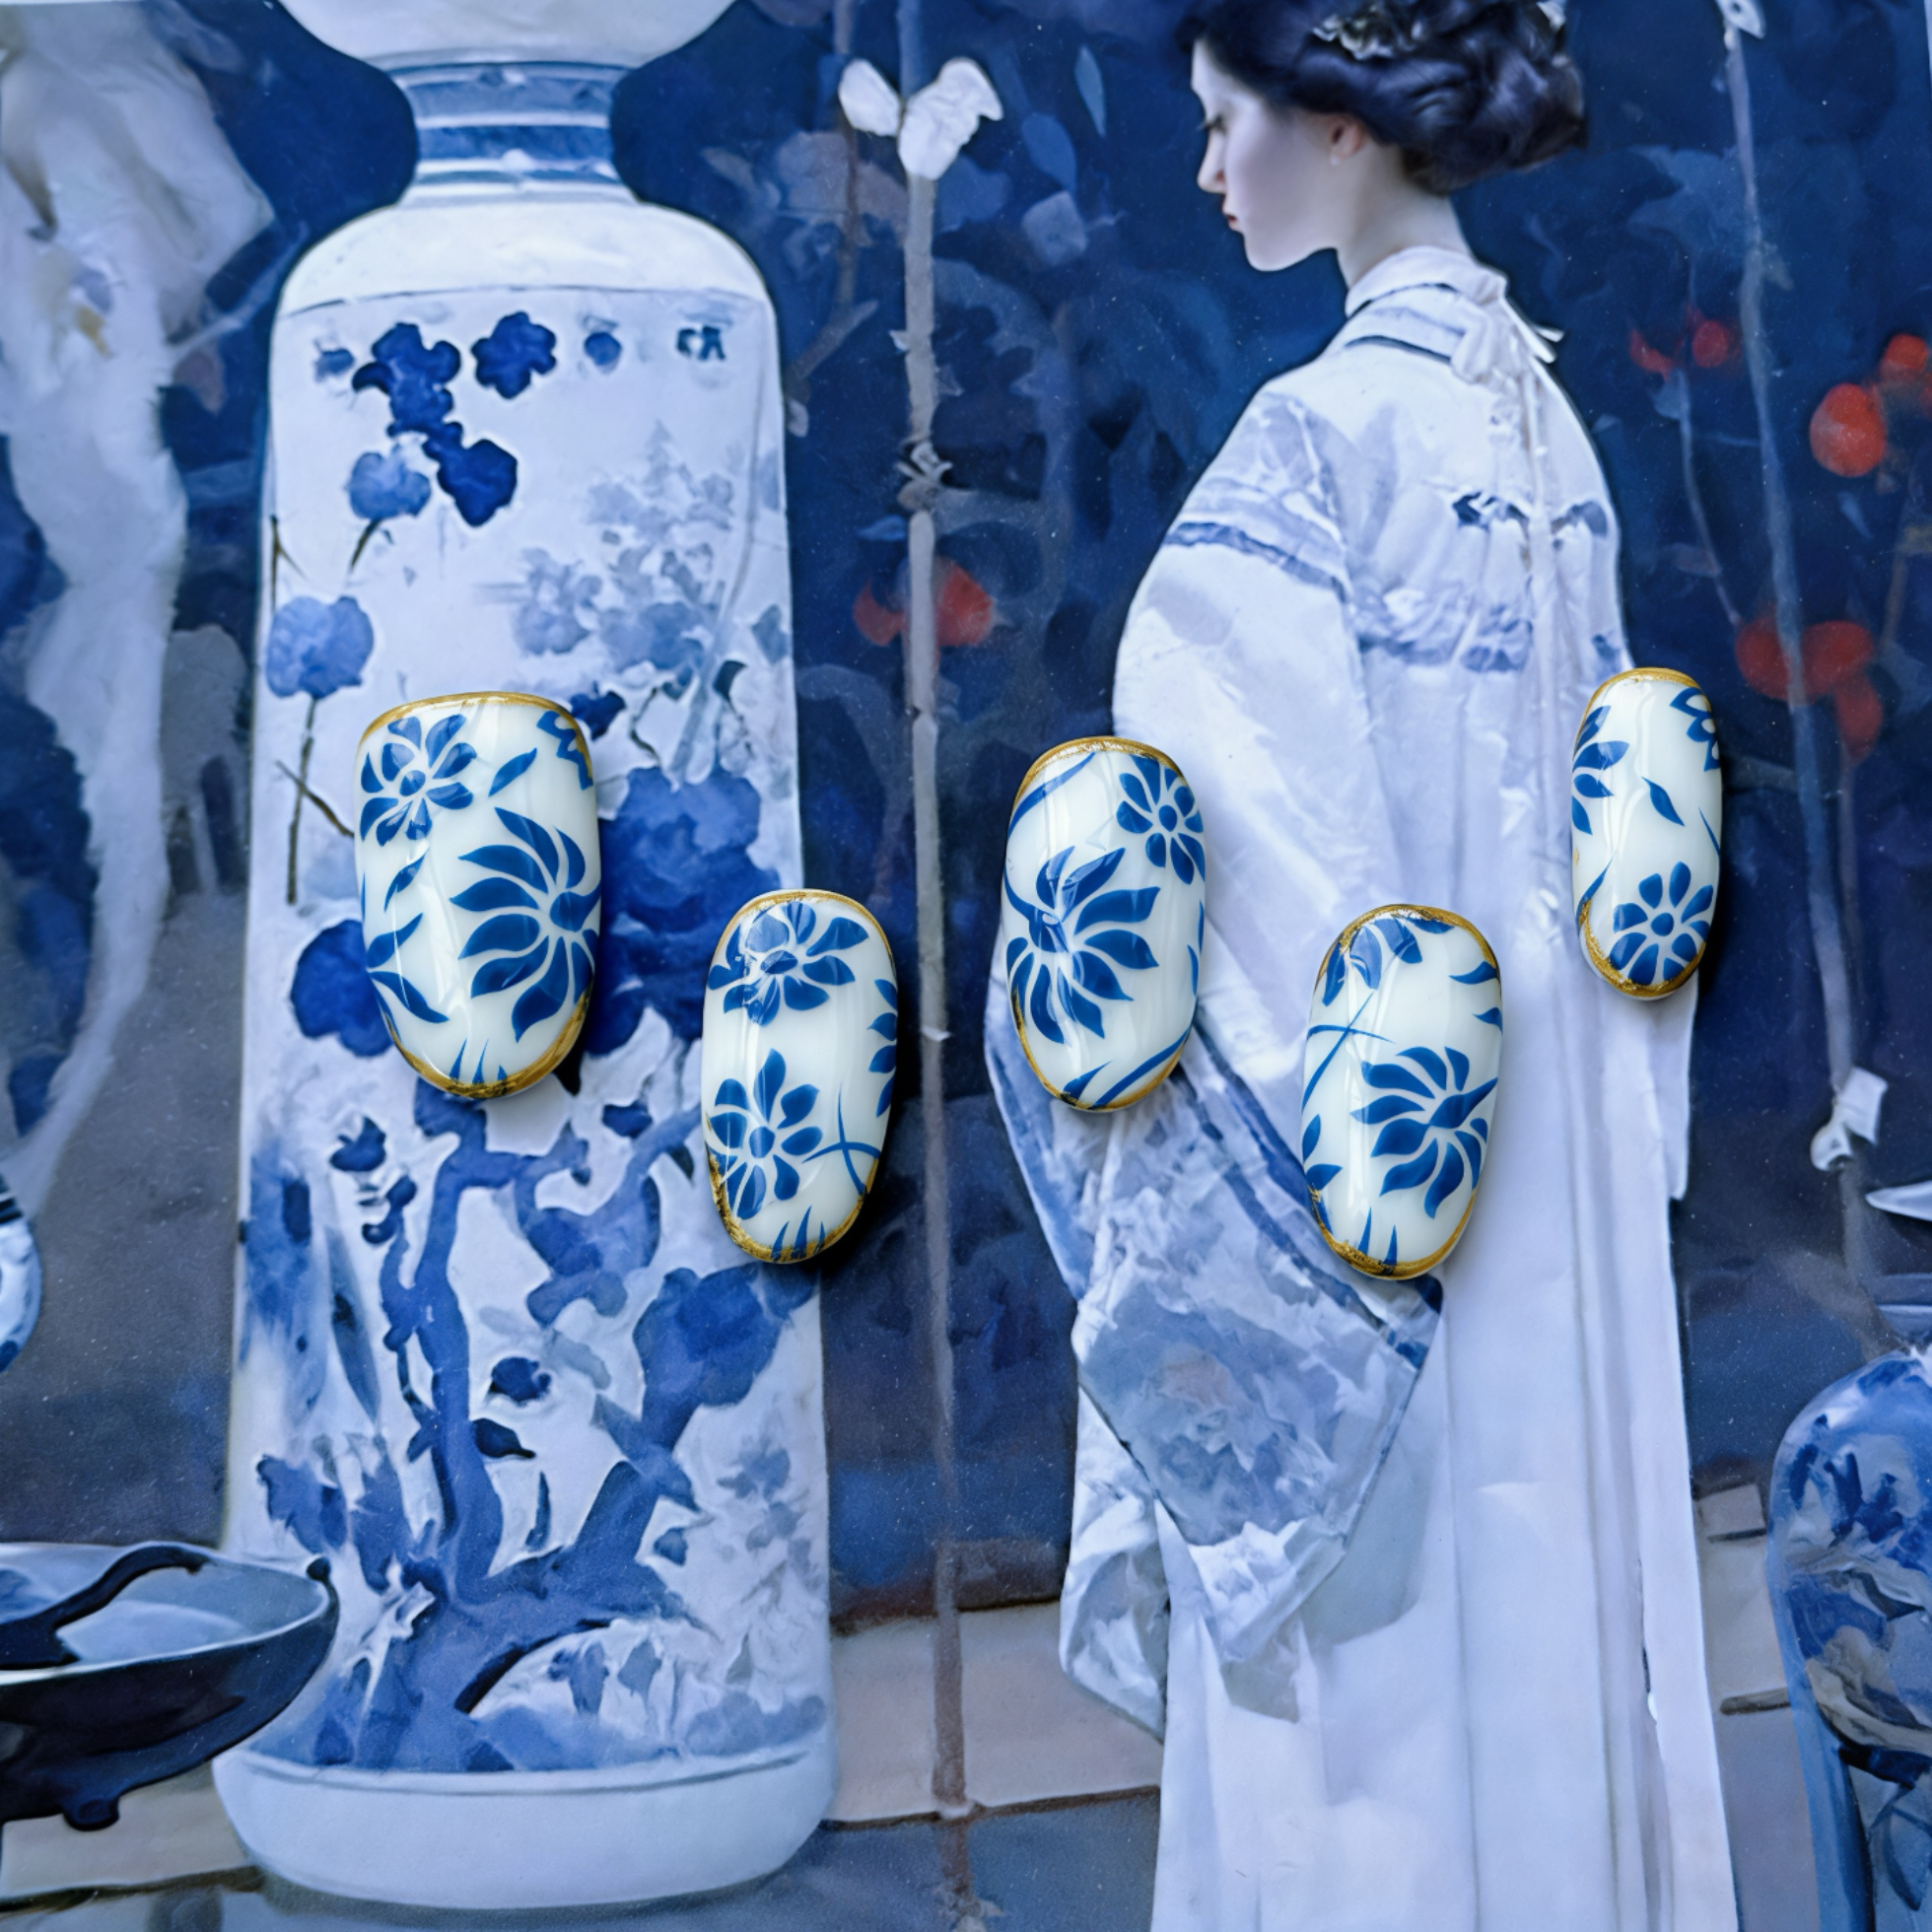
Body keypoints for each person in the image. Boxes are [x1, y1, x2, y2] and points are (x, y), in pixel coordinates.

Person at [984, 1, 1738, 1925]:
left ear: (1330, 123)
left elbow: (1214, 868)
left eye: (1218, 118)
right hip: (1549, 1140)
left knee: (1382, 1686)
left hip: (1381, 1167)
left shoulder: (1317, 437)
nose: (1204, 161)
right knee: (1556, 1584)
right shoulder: (1536, 421)